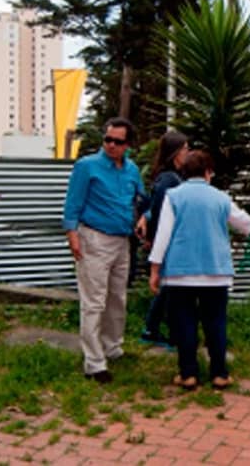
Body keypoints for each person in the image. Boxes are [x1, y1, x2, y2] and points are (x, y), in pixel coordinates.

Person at [148, 150, 250, 391]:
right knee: (216, 323)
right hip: (216, 272)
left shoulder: (174, 196)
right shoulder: (221, 198)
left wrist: (155, 269)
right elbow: (242, 221)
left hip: (180, 273)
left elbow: (163, 236)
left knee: (185, 323)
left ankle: (188, 374)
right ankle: (220, 374)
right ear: (208, 172)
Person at [62, 117, 145, 384]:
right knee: (94, 301)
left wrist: (145, 218)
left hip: (122, 240)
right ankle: (94, 362)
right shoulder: (87, 166)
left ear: (128, 145)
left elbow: (142, 199)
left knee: (117, 297)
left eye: (117, 141)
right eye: (107, 139)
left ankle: (112, 347)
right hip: (94, 238)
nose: (111, 145)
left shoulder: (131, 169)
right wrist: (72, 234)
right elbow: (73, 201)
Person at [135, 131, 190, 347]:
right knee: (170, 287)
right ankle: (156, 329)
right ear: (176, 152)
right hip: (168, 240)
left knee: (168, 287)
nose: (188, 153)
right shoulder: (169, 179)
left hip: (169, 239)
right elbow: (159, 210)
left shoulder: (175, 176)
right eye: (185, 149)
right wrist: (154, 239)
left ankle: (153, 328)